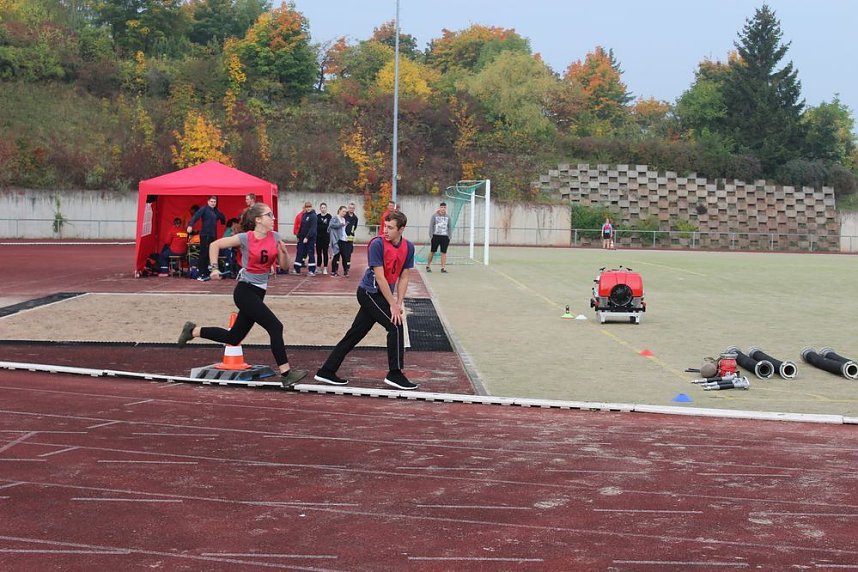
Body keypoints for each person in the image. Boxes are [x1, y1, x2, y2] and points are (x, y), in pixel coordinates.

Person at [177, 203, 307, 388]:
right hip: (245, 291)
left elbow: (285, 266)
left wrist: (284, 253)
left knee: (234, 338)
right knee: (275, 327)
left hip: (259, 292)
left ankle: (193, 331)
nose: (273, 218)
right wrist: (214, 268)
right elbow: (214, 245)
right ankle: (286, 374)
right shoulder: (246, 238)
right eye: (269, 215)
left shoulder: (275, 237)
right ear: (258, 220)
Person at [314, 210, 418, 390]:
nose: (385, 230)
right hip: (369, 293)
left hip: (383, 294)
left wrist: (399, 302)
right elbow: (380, 278)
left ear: (401, 229)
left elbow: (404, 276)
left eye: (390, 228)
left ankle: (327, 370)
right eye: (385, 226)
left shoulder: (408, 247)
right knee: (395, 325)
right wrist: (392, 305)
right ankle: (395, 373)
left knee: (355, 333)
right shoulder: (377, 244)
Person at [187, 195, 226, 281]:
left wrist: (222, 218)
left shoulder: (215, 211)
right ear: (208, 202)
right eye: (211, 201)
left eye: (214, 202)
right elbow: (196, 216)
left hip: (212, 235)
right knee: (203, 254)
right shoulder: (204, 209)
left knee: (209, 254)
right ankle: (201, 273)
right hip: (205, 234)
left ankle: (206, 272)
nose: (213, 203)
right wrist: (190, 225)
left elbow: (223, 218)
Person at [426, 201, 451, 273]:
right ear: (439, 208)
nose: (443, 208)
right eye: (441, 207)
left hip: (445, 237)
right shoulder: (434, 216)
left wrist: (449, 237)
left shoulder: (448, 217)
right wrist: (431, 236)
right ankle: (428, 265)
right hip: (436, 236)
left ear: (446, 208)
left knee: (443, 252)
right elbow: (431, 226)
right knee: (432, 251)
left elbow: (449, 227)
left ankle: (443, 268)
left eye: (444, 207)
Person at [294, 201, 318, 275]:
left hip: (310, 238)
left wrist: (307, 237)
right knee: (299, 252)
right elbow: (301, 227)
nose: (308, 208)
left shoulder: (313, 216)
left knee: (310, 253)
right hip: (302, 237)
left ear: (311, 207)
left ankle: (312, 270)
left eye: (309, 207)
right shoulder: (304, 215)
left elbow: (313, 228)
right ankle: (297, 269)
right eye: (307, 207)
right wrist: (298, 236)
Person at [329, 205, 349, 276]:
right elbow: (331, 225)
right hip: (337, 239)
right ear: (339, 210)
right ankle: (334, 271)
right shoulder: (335, 218)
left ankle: (345, 271)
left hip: (343, 239)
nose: (344, 213)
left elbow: (343, 229)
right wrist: (340, 224)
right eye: (343, 211)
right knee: (336, 255)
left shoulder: (343, 219)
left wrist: (346, 236)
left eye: (345, 212)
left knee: (344, 256)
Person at [342, 201, 358, 277]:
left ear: (354, 209)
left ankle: (347, 269)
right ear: (348, 208)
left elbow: (355, 227)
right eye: (350, 208)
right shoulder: (345, 216)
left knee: (348, 254)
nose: (351, 209)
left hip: (350, 239)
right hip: (343, 238)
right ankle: (341, 269)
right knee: (343, 254)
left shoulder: (355, 218)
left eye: (353, 208)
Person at [315, 202, 332, 275]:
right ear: (320, 209)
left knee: (325, 253)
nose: (323, 209)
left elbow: (330, 227)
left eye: (324, 208)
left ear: (326, 208)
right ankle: (318, 267)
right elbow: (316, 226)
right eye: (322, 208)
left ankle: (325, 268)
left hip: (326, 238)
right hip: (318, 238)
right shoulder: (317, 216)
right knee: (319, 253)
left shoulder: (329, 217)